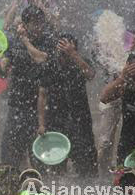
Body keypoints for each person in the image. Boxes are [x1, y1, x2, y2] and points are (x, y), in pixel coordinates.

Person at [0, 5, 57, 168]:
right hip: (17, 105)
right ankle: (9, 188)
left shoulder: (48, 40)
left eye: (41, 23)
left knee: (40, 157)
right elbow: (2, 72)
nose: (39, 27)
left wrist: (26, 42)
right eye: (35, 23)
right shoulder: (13, 43)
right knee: (10, 154)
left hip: (40, 108)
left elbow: (42, 59)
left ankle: (41, 188)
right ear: (25, 25)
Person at [37, 34, 98, 177]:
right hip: (56, 119)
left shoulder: (81, 62)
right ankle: (58, 192)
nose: (63, 54)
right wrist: (41, 124)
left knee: (86, 163)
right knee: (56, 164)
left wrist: (73, 54)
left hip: (80, 119)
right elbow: (42, 96)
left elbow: (90, 74)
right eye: (61, 50)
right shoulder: (50, 65)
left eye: (67, 50)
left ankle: (87, 191)